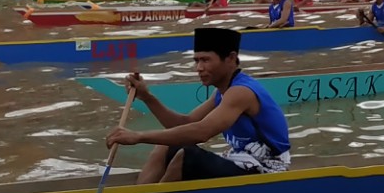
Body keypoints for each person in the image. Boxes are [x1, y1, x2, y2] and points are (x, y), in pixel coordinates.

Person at [108, 27, 292, 182]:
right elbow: (184, 124)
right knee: (164, 145)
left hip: (268, 169)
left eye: (205, 60)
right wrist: (147, 97)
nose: (199, 68)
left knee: (187, 158)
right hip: (242, 160)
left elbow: (201, 132)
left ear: (230, 58)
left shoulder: (241, 92)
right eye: (196, 61)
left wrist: (138, 136)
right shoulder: (220, 93)